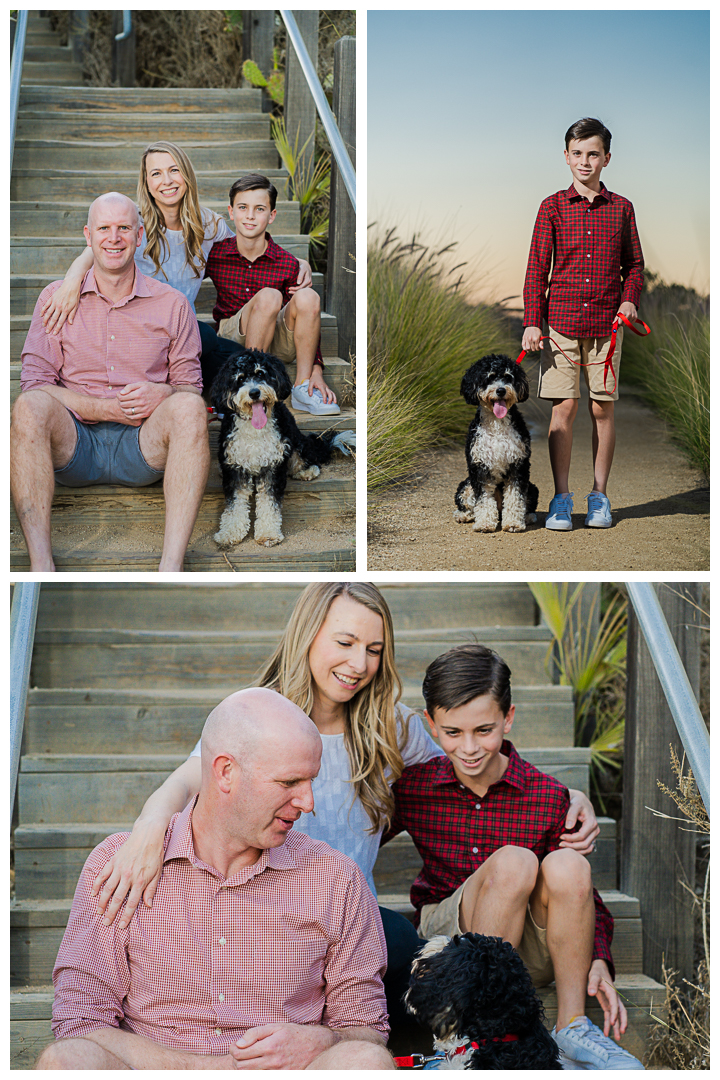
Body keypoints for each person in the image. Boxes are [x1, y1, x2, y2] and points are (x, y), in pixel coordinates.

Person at [84, 583, 599, 1032]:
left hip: (355, 922)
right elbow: (183, 783)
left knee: (397, 941)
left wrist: (568, 798)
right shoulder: (261, 719)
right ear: (308, 635)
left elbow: (472, 751)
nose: (359, 664)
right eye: (345, 642)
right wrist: (150, 826)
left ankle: (457, 1034)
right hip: (270, 910)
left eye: (373, 649)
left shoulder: (388, 728)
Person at [35, 688, 394, 1071]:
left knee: (366, 1060)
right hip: (153, 1071)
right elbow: (79, 1021)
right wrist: (197, 1070)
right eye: (289, 782)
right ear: (226, 772)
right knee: (65, 1061)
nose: (308, 802)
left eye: (310, 782)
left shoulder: (336, 879)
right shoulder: (119, 866)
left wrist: (328, 1039)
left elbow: (367, 1027)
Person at [383, 643, 644, 1070]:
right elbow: (356, 835)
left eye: (484, 730)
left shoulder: (547, 796)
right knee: (515, 862)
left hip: (525, 952)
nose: (468, 747)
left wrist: (597, 956)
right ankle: (471, 1037)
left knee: (568, 864)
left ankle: (572, 1025)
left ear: (509, 717)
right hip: (450, 940)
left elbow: (581, 894)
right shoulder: (415, 788)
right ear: (430, 724)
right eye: (452, 732)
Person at [41, 143, 324, 410]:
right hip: (141, 330)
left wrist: (296, 262)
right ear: (147, 183)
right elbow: (93, 251)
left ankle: (231, 397)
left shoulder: (208, 225)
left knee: (229, 353)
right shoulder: (133, 224)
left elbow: (248, 246)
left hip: (183, 334)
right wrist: (71, 280)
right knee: (205, 337)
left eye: (174, 170)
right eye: (156, 173)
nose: (167, 180)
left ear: (186, 175)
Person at [11, 192, 209, 573]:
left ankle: (171, 566)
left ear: (140, 237)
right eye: (104, 228)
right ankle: (41, 566)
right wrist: (102, 408)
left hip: (142, 445)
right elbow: (34, 384)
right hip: (75, 444)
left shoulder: (173, 305)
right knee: (29, 408)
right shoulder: (56, 299)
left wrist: (163, 393)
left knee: (188, 408)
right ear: (88, 236)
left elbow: (190, 387)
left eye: (123, 228)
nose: (113, 237)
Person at [522, 117, 644, 531]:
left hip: (607, 325)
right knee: (565, 408)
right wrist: (531, 322)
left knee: (601, 408)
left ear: (607, 157)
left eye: (593, 153)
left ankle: (599, 497)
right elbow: (537, 269)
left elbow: (636, 266)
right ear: (566, 156)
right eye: (578, 153)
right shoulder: (552, 207)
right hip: (560, 324)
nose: (585, 161)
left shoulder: (622, 209)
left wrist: (629, 301)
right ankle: (560, 498)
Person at [203, 173, 340, 415]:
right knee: (269, 296)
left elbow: (306, 319)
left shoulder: (287, 263)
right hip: (233, 335)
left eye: (260, 209)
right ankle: (246, 385)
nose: (250, 215)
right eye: (243, 207)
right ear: (231, 211)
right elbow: (184, 277)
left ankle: (302, 388)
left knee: (308, 296)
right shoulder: (215, 255)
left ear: (272, 215)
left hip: (275, 342)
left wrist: (316, 368)